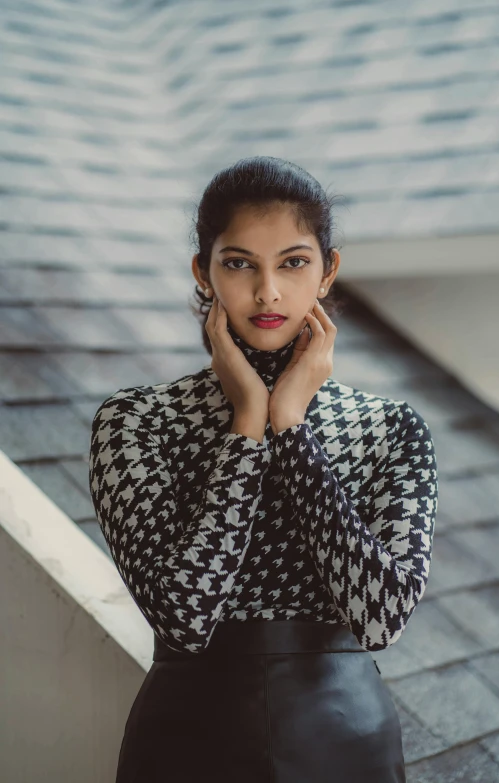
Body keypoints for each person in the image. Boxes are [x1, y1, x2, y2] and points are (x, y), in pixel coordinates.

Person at [89, 156, 438, 782]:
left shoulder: (391, 429)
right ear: (204, 271)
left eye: (294, 262)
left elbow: (380, 618)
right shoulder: (136, 421)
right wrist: (249, 421)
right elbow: (186, 619)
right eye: (240, 262)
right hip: (185, 743)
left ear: (328, 271)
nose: (268, 291)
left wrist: (292, 427)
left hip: (346, 741)